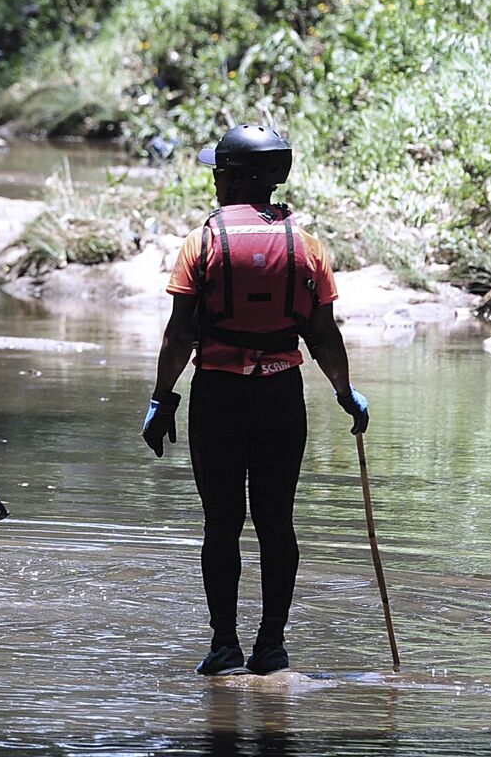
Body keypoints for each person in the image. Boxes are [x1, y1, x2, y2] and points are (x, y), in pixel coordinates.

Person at [140, 124, 368, 676]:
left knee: (221, 522)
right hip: (280, 399)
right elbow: (323, 335)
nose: (215, 181)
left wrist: (162, 398)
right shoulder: (307, 248)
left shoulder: (202, 243)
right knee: (277, 521)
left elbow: (179, 335)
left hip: (218, 397)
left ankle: (224, 645)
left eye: (219, 172)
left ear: (238, 179)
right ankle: (271, 646)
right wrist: (344, 391)